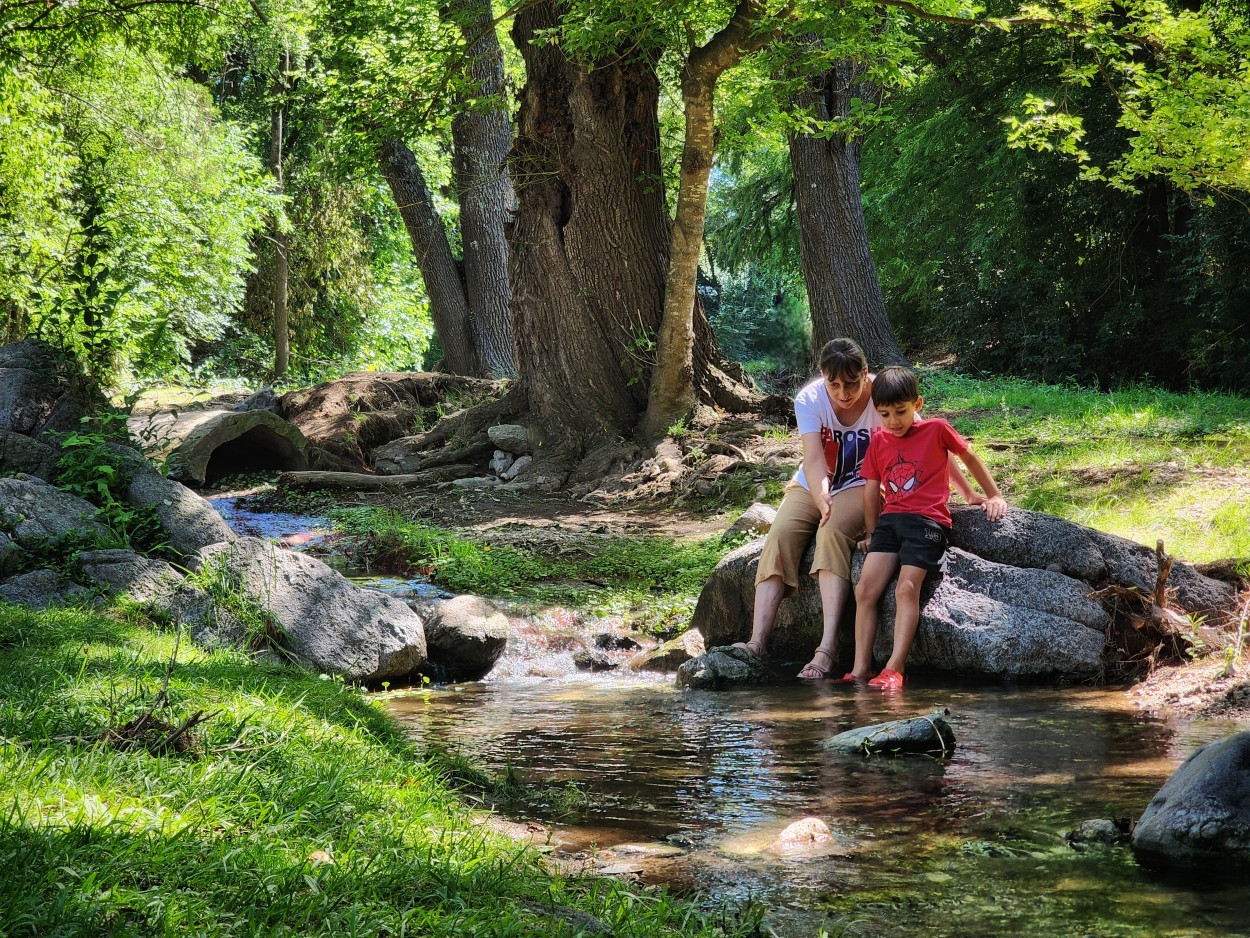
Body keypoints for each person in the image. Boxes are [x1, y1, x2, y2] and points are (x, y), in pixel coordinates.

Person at [731, 338, 883, 679]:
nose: (843, 393)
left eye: (852, 384)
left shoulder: (882, 393)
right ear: (822, 377)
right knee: (781, 533)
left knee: (830, 532)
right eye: (835, 385)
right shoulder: (810, 399)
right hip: (816, 480)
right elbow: (813, 459)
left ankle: (827, 648)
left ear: (865, 374)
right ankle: (757, 642)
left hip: (865, 484)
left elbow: (923, 434)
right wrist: (819, 495)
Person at [849, 365, 1007, 690]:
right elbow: (870, 489)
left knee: (906, 589)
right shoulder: (878, 440)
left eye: (901, 412)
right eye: (885, 414)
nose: (894, 421)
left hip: (927, 522)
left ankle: (895, 668)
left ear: (917, 404)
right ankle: (860, 667)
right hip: (890, 523)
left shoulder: (936, 429)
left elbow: (970, 457)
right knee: (865, 590)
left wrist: (991, 495)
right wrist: (869, 532)